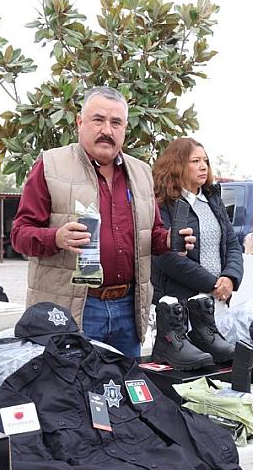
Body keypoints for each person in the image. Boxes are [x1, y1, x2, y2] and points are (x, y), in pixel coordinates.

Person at [11, 86, 194, 358]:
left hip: (128, 310)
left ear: (124, 129)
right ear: (80, 122)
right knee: (72, 396)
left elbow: (151, 233)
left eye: (116, 122)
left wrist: (166, 240)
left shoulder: (142, 173)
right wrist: (56, 238)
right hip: (74, 309)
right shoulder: (50, 165)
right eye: (98, 120)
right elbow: (19, 235)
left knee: (122, 393)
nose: (106, 129)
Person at [151, 137, 243, 303]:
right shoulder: (163, 203)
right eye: (195, 161)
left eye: (205, 161)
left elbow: (232, 244)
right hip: (180, 302)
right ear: (177, 165)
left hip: (217, 299)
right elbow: (166, 257)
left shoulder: (213, 199)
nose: (203, 166)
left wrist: (230, 277)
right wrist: (212, 284)